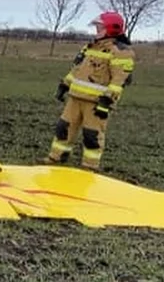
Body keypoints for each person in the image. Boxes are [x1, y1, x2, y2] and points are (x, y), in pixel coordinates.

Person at [46, 11, 136, 170]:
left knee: (91, 135)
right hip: (75, 97)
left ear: (111, 29)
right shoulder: (90, 47)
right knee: (63, 128)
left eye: (100, 27)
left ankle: (90, 166)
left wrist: (107, 101)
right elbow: (77, 69)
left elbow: (118, 80)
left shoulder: (120, 51)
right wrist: (65, 85)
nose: (97, 31)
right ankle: (56, 158)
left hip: (96, 103)